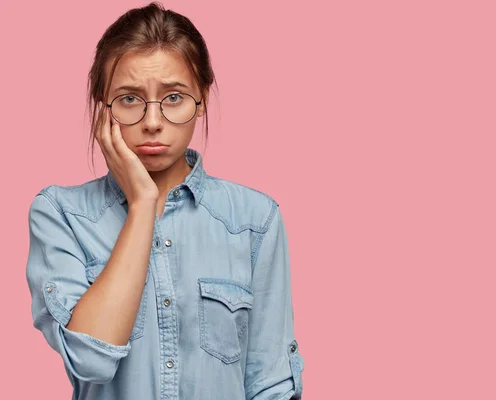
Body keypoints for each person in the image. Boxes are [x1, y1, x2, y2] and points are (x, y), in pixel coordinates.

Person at [24, 2, 304, 399]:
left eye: (173, 97)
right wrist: (141, 204)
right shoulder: (62, 215)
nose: (152, 121)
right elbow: (91, 359)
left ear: (201, 99)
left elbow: (269, 382)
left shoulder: (254, 220)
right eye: (129, 99)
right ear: (102, 107)